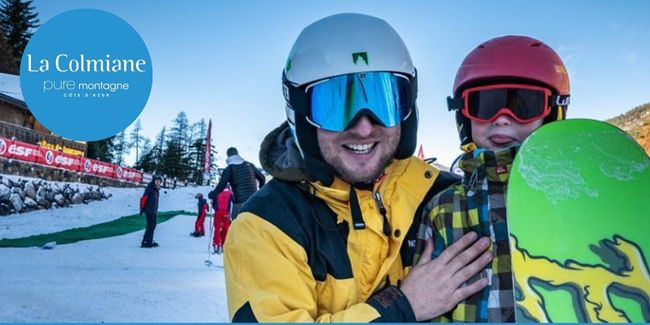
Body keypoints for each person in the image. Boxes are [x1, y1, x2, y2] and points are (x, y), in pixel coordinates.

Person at [223, 13, 493, 322]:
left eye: (384, 101)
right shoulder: (267, 225)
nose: (364, 128)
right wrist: (402, 308)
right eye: (335, 107)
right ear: (300, 115)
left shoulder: (445, 196)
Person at [416, 35, 571, 322]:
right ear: (464, 116)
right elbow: (425, 302)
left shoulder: (573, 196)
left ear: (552, 114)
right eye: (485, 104)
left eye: (523, 105)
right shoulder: (443, 208)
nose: (502, 118)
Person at [208, 147, 265, 218]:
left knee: (236, 225)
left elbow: (221, 186)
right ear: (237, 154)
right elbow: (262, 178)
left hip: (240, 203)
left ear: (228, 156)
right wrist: (260, 190)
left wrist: (212, 195)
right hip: (254, 201)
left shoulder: (229, 169)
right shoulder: (249, 165)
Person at [140, 175, 162, 248]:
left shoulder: (156, 189)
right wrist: (142, 208)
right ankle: (146, 242)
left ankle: (148, 240)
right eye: (156, 181)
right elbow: (143, 198)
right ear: (154, 181)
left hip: (154, 210)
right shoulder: (150, 188)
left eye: (159, 181)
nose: (158, 182)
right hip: (149, 210)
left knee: (153, 226)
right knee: (151, 226)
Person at [212, 186, 233, 254]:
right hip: (226, 213)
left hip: (217, 212)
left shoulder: (217, 193)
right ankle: (223, 244)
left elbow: (213, 203)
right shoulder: (230, 193)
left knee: (217, 229)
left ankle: (216, 244)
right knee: (225, 228)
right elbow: (232, 204)